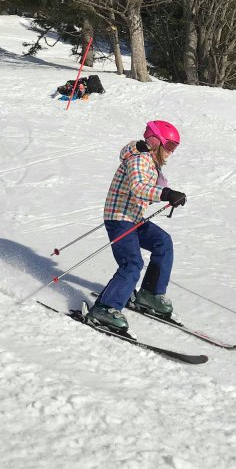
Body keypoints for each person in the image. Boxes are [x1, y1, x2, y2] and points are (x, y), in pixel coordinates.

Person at [89, 120, 187, 333]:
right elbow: (139, 188)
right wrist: (167, 194)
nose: (171, 152)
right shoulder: (139, 158)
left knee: (163, 242)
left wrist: (168, 194)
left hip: (133, 218)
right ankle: (105, 308)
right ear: (156, 141)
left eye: (175, 147)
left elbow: (149, 188)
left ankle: (150, 294)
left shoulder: (151, 161)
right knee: (132, 263)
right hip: (119, 218)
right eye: (170, 145)